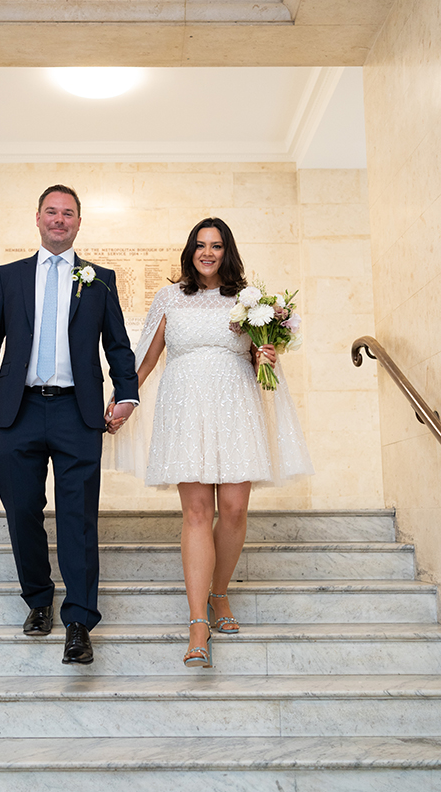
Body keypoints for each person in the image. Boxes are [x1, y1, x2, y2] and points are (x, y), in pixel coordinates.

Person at [108, 217, 313, 668]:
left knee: (236, 509)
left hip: (235, 405)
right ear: (190, 250)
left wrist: (267, 354)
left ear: (227, 251)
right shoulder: (170, 297)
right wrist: (125, 400)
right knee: (198, 512)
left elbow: (264, 363)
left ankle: (221, 593)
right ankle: (198, 622)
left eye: (216, 246)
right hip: (185, 407)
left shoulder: (246, 300)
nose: (207, 253)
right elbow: (145, 358)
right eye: (200, 245)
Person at [0, 184, 138, 665]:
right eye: (51, 212)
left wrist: (126, 394)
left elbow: (118, 346)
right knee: (21, 509)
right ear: (37, 219)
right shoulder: (10, 276)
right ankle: (39, 600)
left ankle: (79, 621)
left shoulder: (99, 279)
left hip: (76, 413)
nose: (59, 220)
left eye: (68, 213)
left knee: (78, 519)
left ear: (79, 223)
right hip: (18, 410)